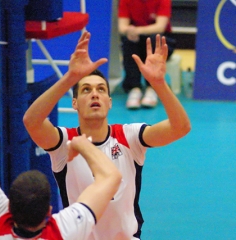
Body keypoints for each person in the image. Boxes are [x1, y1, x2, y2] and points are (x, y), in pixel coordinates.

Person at [23, 31, 191, 240]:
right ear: (74, 103)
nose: (94, 94)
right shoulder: (64, 143)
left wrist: (158, 84)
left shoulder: (130, 137)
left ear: (110, 102)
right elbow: (31, 122)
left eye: (101, 89)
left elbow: (181, 127)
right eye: (86, 90)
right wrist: (71, 78)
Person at [0, 135, 122, 239]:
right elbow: (111, 177)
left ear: (9, 207)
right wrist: (81, 143)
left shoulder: (0, 220)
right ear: (49, 211)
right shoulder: (64, 231)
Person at [118, 0, 176, 109]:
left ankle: (152, 88)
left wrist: (136, 30)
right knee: (128, 40)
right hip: (137, 41)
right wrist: (130, 31)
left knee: (155, 38)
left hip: (162, 41)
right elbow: (122, 27)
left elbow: (160, 27)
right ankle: (134, 88)